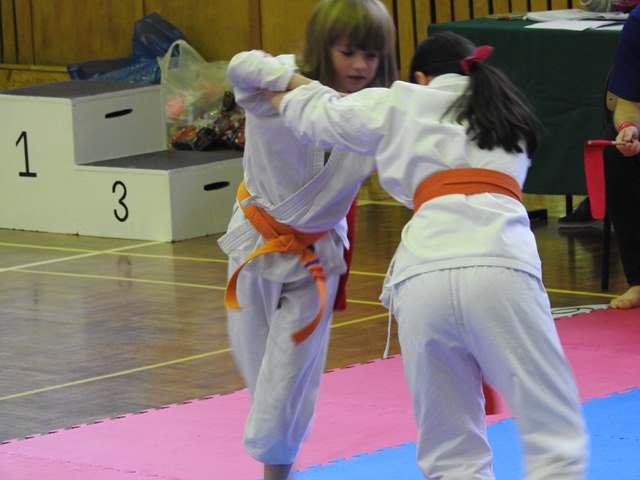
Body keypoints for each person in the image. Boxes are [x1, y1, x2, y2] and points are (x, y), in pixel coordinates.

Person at [267, 31, 588, 479]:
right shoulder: (505, 111)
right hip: (500, 263)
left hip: (423, 274)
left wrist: (274, 81)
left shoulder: (400, 101)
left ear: (420, 77)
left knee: (450, 445)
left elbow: (322, 112)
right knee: (551, 423)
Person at [218, 1, 397, 479]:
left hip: (317, 255)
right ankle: (280, 465)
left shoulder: (376, 112)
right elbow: (239, 65)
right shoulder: (274, 85)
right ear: (323, 47)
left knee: (289, 378)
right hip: (254, 245)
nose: (360, 65)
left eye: (371, 55)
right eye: (348, 52)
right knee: (260, 371)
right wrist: (302, 87)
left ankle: (275, 473)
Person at [604, 4, 640, 309]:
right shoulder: (639, 21)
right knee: (619, 159)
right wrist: (629, 128)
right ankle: (639, 280)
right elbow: (627, 103)